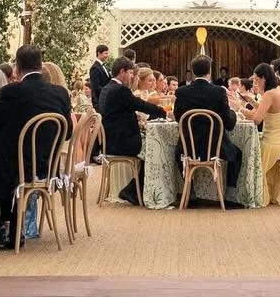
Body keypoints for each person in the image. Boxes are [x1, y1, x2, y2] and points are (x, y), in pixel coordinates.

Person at [0, 44, 73, 249]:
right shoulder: (60, 93)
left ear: (17, 68)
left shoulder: (12, 91)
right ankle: (11, 227)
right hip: (47, 167)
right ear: (40, 65)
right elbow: (69, 131)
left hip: (14, 166)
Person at [98, 54, 165, 203]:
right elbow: (139, 104)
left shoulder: (107, 88)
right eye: (130, 73)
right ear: (122, 72)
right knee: (156, 149)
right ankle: (133, 190)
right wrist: (162, 111)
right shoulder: (120, 90)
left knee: (152, 146)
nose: (131, 77)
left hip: (110, 140)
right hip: (121, 142)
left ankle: (134, 189)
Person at [174, 54, 243, 196]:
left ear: (192, 72)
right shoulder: (218, 92)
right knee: (237, 154)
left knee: (176, 151)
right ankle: (229, 194)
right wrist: (234, 112)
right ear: (210, 72)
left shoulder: (181, 92)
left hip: (188, 148)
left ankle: (189, 190)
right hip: (215, 149)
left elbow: (178, 117)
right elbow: (229, 124)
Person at [243, 61, 280, 205]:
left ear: (264, 78)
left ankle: (253, 194)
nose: (256, 84)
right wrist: (252, 102)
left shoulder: (269, 94)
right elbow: (270, 111)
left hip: (272, 144)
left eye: (257, 80)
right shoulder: (279, 89)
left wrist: (242, 110)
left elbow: (258, 119)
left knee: (248, 152)